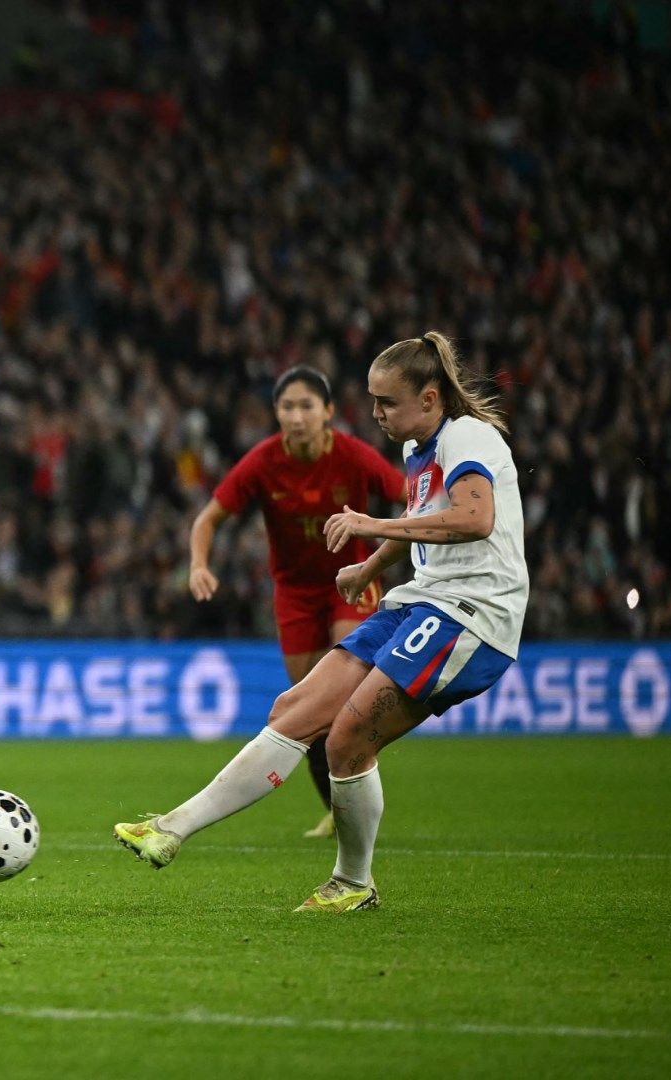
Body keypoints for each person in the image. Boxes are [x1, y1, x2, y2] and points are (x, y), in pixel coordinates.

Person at [117, 332, 527, 912]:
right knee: (294, 710)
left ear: (431, 399)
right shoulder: (420, 448)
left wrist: (371, 528)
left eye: (387, 402)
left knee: (347, 737)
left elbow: (474, 517)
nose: (377, 413)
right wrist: (369, 568)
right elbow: (423, 517)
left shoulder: (465, 436)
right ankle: (170, 829)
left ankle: (353, 883)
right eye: (373, 400)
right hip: (422, 601)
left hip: (472, 614)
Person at [186, 367, 405, 838]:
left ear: (328, 412)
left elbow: (411, 496)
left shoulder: (353, 455)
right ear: (276, 413)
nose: (297, 416)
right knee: (308, 708)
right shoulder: (263, 462)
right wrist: (199, 565)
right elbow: (208, 519)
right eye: (287, 407)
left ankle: (357, 792)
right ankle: (337, 807)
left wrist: (390, 545)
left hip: (352, 580)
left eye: (307, 406)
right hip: (295, 595)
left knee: (342, 690)